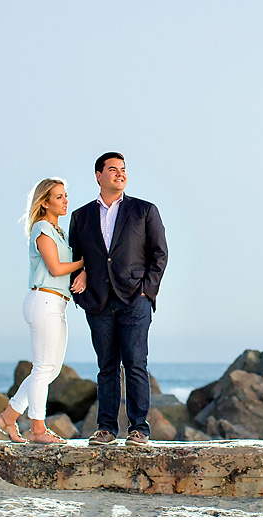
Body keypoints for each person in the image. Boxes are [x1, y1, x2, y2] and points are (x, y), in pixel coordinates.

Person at [69, 152, 168, 447]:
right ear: (98, 175)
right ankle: (106, 429)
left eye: (123, 169)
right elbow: (76, 256)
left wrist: (146, 291)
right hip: (98, 301)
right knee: (107, 366)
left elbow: (159, 254)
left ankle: (139, 429)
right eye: (112, 169)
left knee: (136, 363)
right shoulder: (81, 216)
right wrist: (83, 279)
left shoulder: (144, 210)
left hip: (134, 298)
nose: (120, 174)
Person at [0, 177, 85, 444]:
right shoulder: (42, 228)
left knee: (50, 370)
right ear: (44, 203)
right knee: (44, 368)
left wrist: (83, 270)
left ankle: (8, 417)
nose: (65, 200)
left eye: (66, 195)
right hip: (43, 301)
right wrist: (83, 262)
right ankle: (37, 430)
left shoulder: (59, 232)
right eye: (59, 197)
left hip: (56, 303)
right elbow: (55, 268)